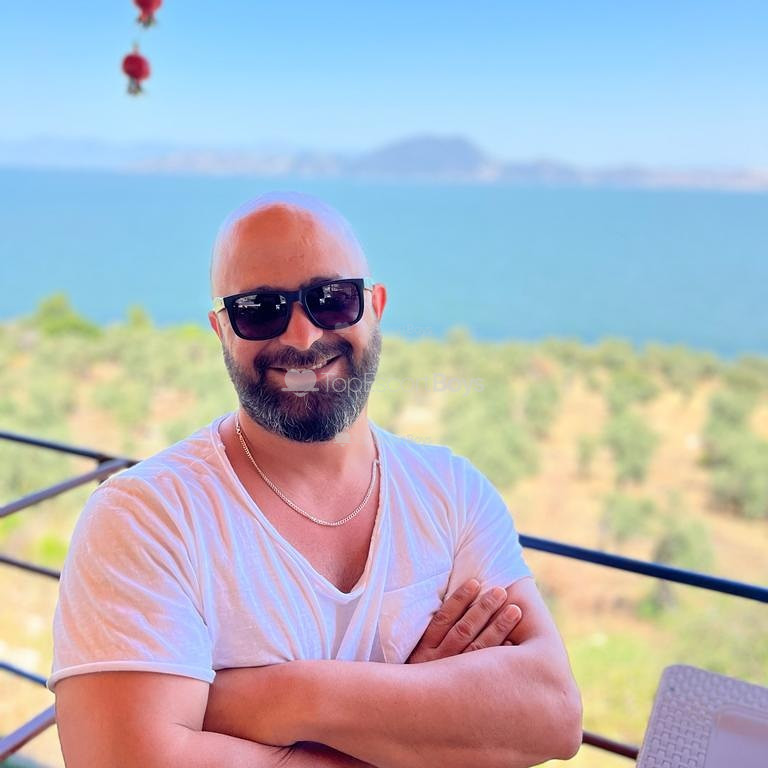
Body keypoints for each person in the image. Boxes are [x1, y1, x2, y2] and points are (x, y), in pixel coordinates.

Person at [50, 192, 582, 767]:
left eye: (332, 300)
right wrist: (421, 725)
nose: (303, 338)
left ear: (375, 306)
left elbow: (552, 714)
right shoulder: (146, 517)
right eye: (260, 309)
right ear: (222, 330)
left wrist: (285, 696)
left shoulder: (452, 493)